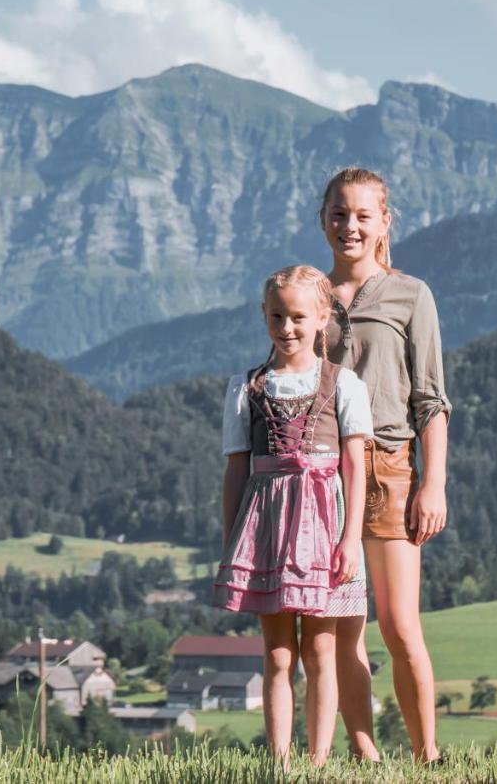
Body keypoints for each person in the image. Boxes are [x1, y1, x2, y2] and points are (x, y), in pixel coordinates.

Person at [212, 264, 373, 766]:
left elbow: (354, 467)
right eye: (277, 316)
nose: (287, 327)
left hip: (325, 528)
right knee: (278, 652)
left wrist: (350, 540)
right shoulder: (248, 387)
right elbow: (237, 470)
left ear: (323, 318)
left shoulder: (343, 385)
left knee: (320, 651)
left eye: (299, 317)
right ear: (264, 315)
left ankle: (319, 760)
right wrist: (231, 539)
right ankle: (281, 762)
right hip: (268, 529)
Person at [320, 167, 451, 763]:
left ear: (383, 223)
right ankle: (365, 755)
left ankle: (428, 756)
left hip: (390, 471)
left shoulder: (410, 295)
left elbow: (431, 400)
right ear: (324, 219)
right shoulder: (309, 298)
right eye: (340, 214)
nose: (350, 225)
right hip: (323, 474)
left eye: (362, 216)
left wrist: (434, 484)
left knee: (399, 627)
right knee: (346, 626)